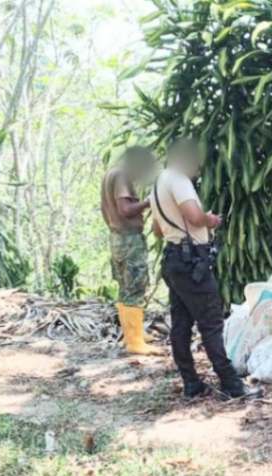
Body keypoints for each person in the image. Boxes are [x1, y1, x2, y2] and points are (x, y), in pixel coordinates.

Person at [151, 139, 262, 400]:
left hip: (173, 259)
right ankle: (232, 385)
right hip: (191, 262)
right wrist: (209, 220)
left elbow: (157, 228)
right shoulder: (177, 179)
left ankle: (191, 383)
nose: (199, 165)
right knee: (211, 323)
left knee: (181, 323)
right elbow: (193, 215)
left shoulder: (157, 184)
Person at [100, 146, 161, 356]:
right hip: (128, 240)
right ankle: (135, 342)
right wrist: (149, 202)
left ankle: (133, 334)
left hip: (117, 238)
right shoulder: (121, 176)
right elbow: (125, 210)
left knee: (126, 287)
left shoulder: (111, 173)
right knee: (135, 287)